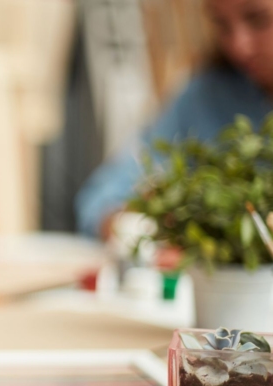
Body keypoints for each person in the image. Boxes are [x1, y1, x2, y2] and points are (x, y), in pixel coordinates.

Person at [77, 0, 273, 239]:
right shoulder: (205, 97)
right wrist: (137, 226)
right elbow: (100, 198)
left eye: (259, 20)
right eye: (222, 25)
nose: (239, 46)